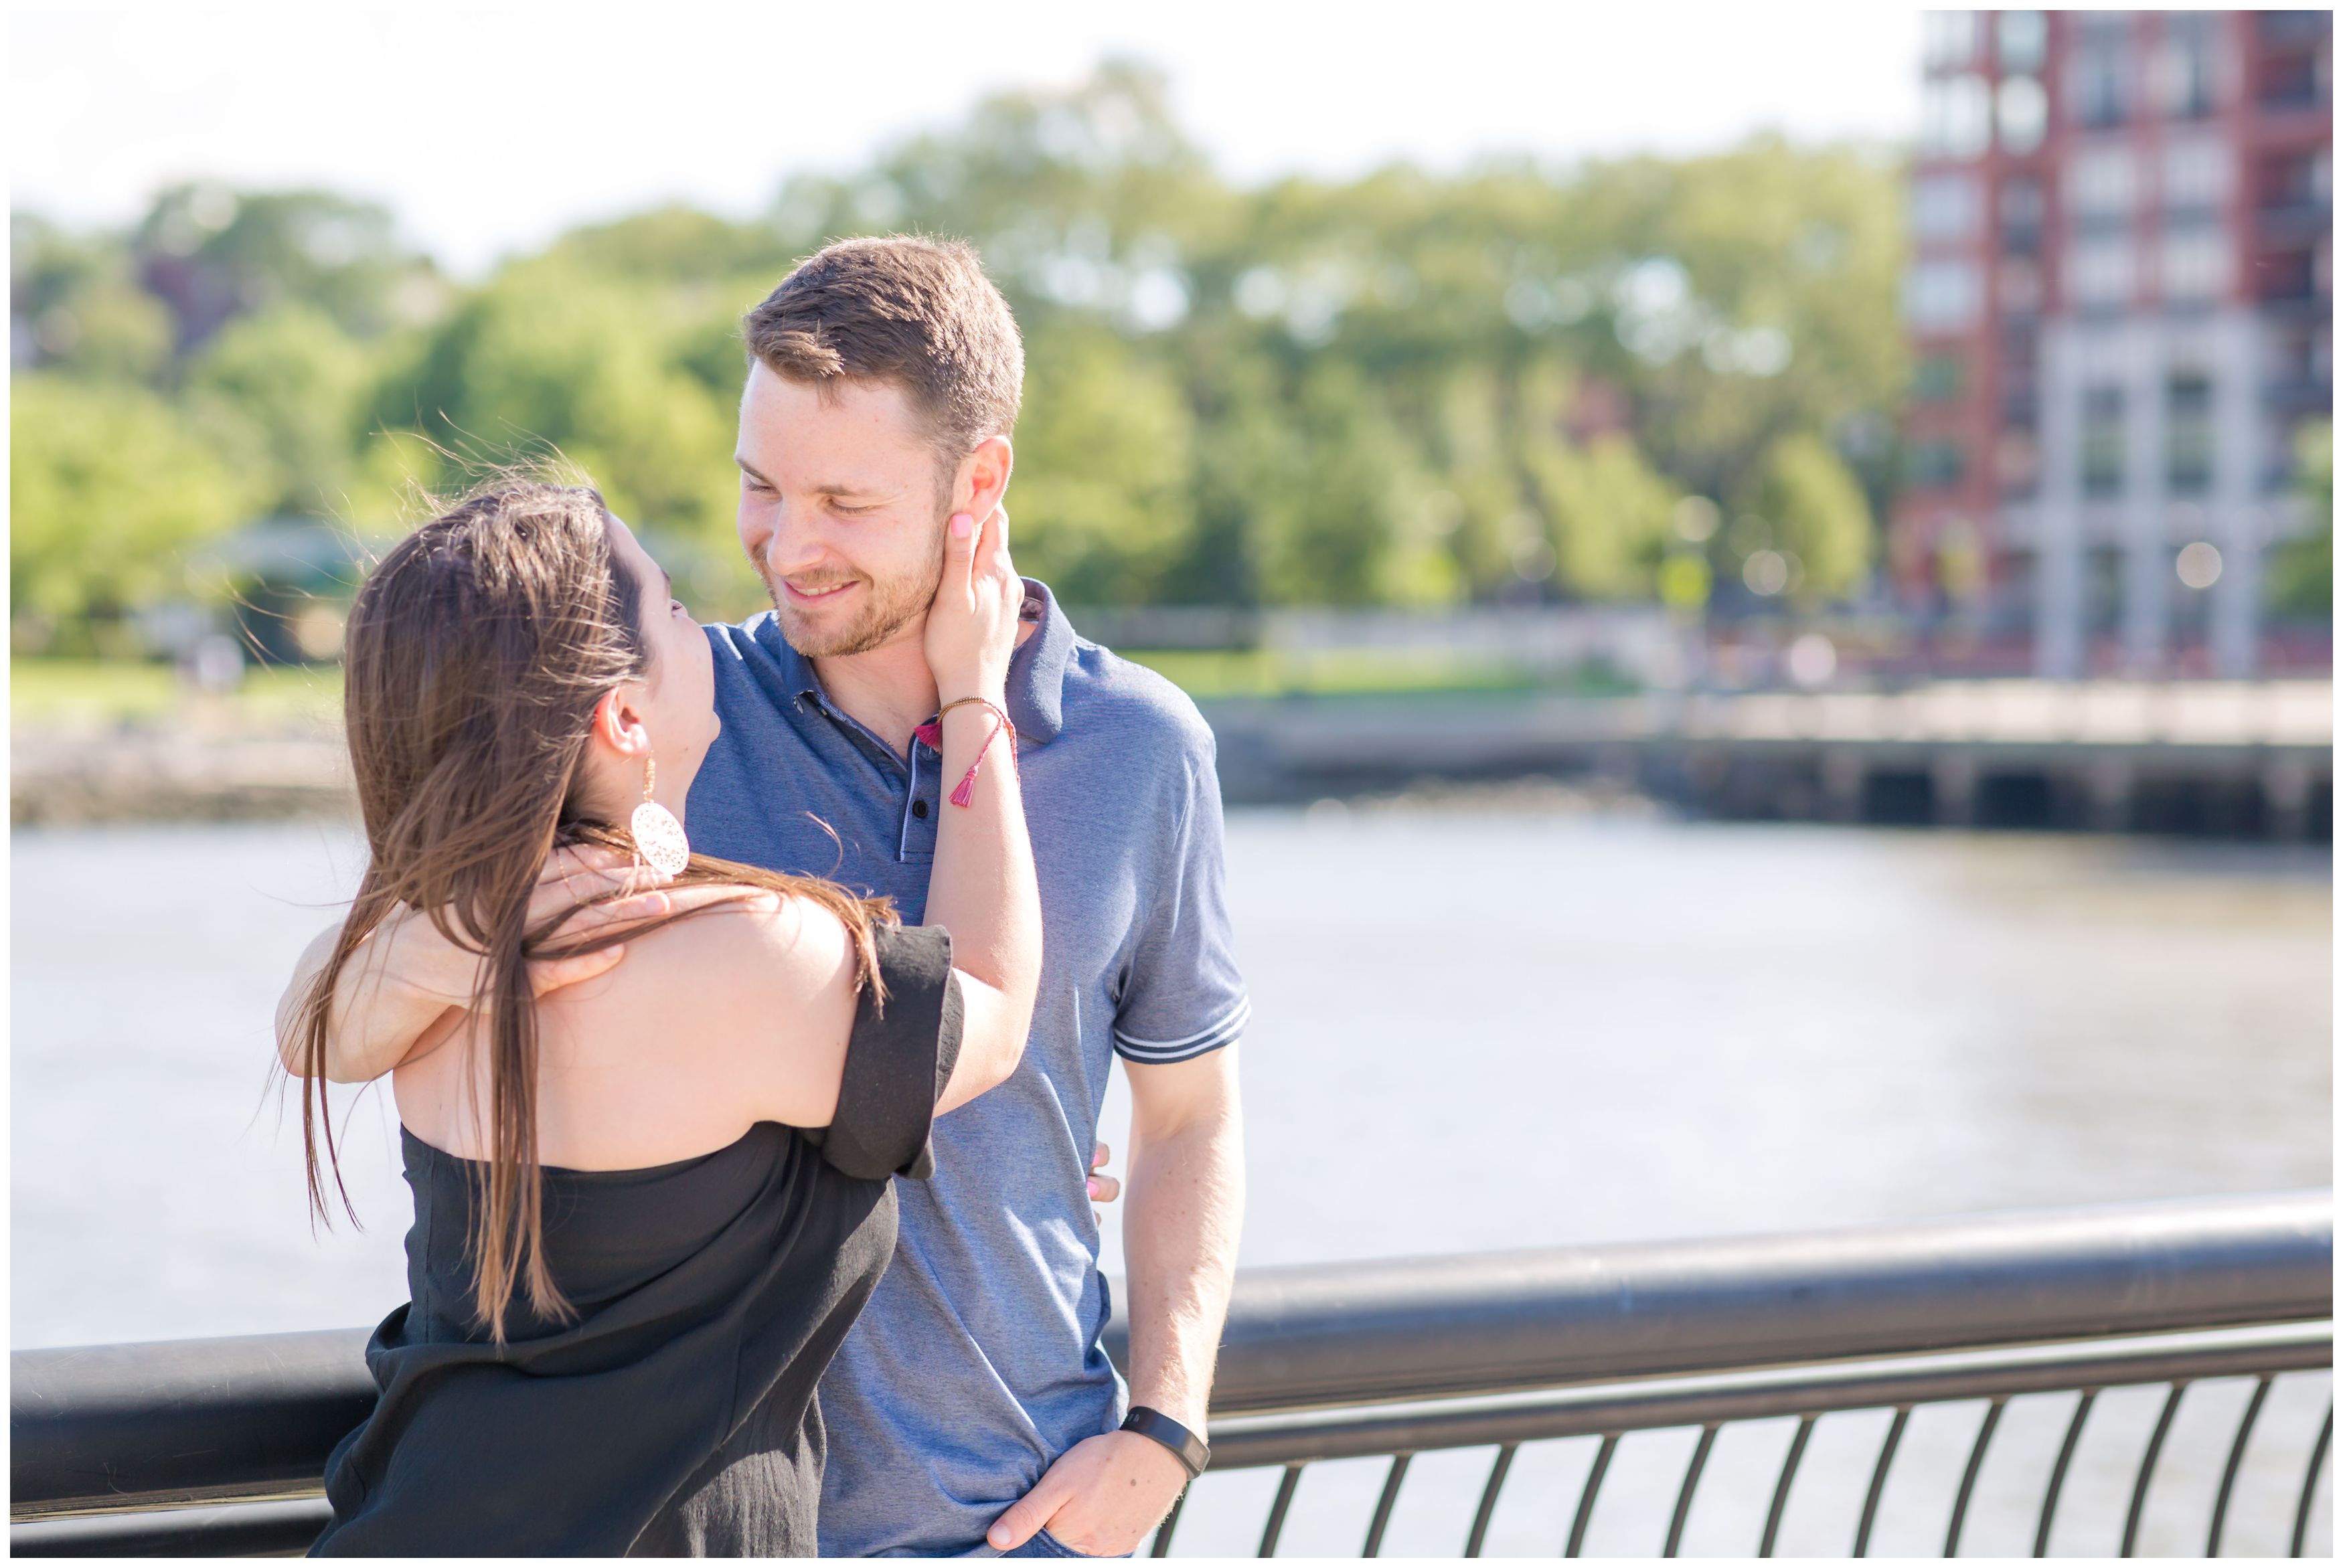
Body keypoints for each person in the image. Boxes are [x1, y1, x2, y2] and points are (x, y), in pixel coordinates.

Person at [301, 235, 1248, 1558]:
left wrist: (1164, 1426)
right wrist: (493, 920)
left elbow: (1189, 1110)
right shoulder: (655, 723)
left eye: (844, 503)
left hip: (1013, 1519)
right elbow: (344, 1023)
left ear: (980, 482)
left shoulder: (1144, 747)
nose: (787, 547)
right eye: (760, 487)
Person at [276, 475, 1041, 1555]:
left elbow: (312, 1026)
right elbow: (998, 1015)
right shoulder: (744, 953)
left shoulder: (432, 950)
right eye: (676, 608)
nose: (714, 628)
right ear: (625, 714)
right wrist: (976, 695)